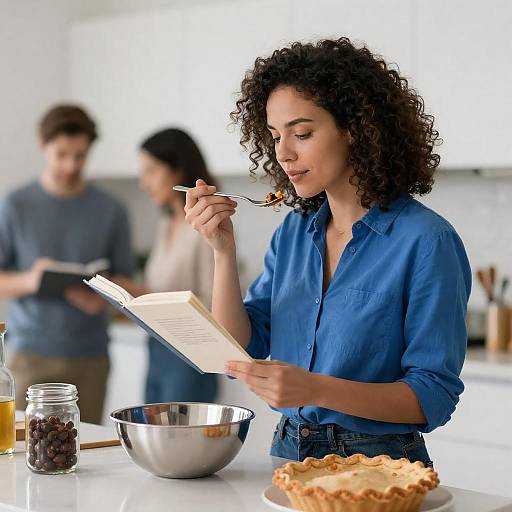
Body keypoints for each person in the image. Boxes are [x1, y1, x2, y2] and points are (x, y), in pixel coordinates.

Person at [182, 38, 471, 466]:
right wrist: (222, 251)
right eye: (275, 136)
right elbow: (239, 345)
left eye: (302, 133)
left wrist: (315, 389)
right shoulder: (294, 234)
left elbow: (433, 396)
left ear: (354, 127)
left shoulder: (427, 241)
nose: (283, 153)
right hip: (289, 451)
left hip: (380, 464)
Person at [0, 104, 134, 423]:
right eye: (61, 154)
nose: (71, 165)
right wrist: (31, 280)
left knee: (82, 455)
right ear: (42, 146)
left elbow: (127, 285)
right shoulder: (15, 204)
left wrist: (102, 299)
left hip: (90, 357)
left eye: (80, 155)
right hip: (29, 355)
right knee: (18, 452)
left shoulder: (112, 210)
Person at [130, 128, 219, 403]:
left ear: (178, 171)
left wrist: (143, 295)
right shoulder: (166, 224)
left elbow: (215, 305)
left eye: (151, 171)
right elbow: (159, 288)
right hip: (157, 350)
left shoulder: (207, 226)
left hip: (190, 358)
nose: (144, 183)